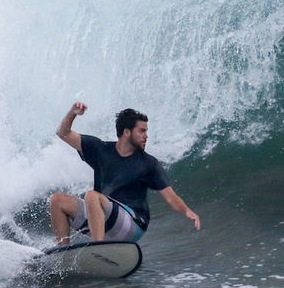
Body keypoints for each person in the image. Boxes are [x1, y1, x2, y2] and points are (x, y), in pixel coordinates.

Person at [49, 101, 201, 244]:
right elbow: (63, 133)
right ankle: (64, 255)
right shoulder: (100, 149)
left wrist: (188, 212)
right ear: (127, 132)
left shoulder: (149, 163)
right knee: (57, 200)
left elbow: (170, 197)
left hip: (132, 224)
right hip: (101, 219)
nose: (146, 135)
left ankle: (98, 250)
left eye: (146, 131)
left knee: (92, 196)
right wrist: (72, 113)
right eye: (142, 131)